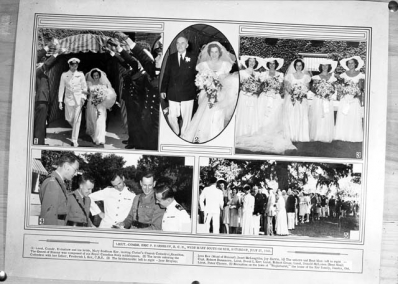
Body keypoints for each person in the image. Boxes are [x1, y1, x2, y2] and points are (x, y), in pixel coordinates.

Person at [235, 57, 297, 154]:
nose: (272, 65)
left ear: (276, 65)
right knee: (261, 116)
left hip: (275, 98)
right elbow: (257, 84)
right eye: (270, 63)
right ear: (268, 65)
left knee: (274, 117)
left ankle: (271, 133)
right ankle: (259, 133)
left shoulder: (280, 75)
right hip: (264, 97)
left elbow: (285, 86)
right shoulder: (263, 74)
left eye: (273, 64)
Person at [181, 41, 239, 143]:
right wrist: (204, 84)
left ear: (220, 53)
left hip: (221, 94)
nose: (214, 54)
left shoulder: (225, 65)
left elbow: (227, 79)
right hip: (206, 94)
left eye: (216, 52)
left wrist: (219, 85)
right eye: (212, 52)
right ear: (208, 52)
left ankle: (215, 136)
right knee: (203, 114)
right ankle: (201, 136)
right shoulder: (203, 65)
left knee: (217, 115)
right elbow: (199, 80)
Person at [107, 35, 157, 150]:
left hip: (139, 101)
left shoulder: (144, 69)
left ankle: (136, 142)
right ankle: (132, 140)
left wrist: (118, 50)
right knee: (132, 121)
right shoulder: (137, 66)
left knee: (137, 121)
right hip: (132, 99)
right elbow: (126, 62)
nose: (132, 55)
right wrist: (113, 52)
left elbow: (130, 61)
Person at [160, 35, 198, 136]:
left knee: (187, 118)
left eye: (182, 43)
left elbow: (197, 75)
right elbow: (166, 74)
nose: (179, 45)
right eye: (177, 43)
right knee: (172, 116)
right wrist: (163, 90)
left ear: (187, 45)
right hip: (173, 92)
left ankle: (184, 136)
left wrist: (198, 88)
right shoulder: (171, 57)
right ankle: (176, 133)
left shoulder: (193, 57)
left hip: (188, 93)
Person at [34, 40, 66, 145]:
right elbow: (45, 64)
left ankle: (40, 142)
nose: (42, 61)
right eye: (41, 60)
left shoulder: (40, 71)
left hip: (43, 101)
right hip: (40, 100)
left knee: (42, 123)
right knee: (39, 124)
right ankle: (38, 143)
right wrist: (56, 53)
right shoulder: (35, 70)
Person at [39, 153, 79, 225]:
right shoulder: (53, 184)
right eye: (75, 170)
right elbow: (48, 216)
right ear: (66, 166)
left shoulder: (57, 183)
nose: (76, 174)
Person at [334, 56, 365, 142]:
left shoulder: (361, 75)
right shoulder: (343, 75)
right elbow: (341, 86)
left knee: (353, 116)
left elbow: (361, 88)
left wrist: (355, 93)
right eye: (349, 63)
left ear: (355, 64)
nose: (350, 64)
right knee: (344, 116)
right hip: (345, 98)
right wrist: (343, 91)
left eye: (352, 63)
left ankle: (352, 135)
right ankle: (342, 134)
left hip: (354, 99)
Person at [58, 58, 88, 147]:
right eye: (73, 66)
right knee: (69, 118)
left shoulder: (81, 74)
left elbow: (84, 87)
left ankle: (74, 140)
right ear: (69, 65)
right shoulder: (64, 75)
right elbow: (61, 88)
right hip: (68, 100)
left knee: (77, 120)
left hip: (79, 100)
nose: (75, 67)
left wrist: (83, 97)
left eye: (76, 66)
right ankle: (75, 128)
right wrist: (60, 101)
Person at [85, 68, 116, 146]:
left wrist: (108, 103)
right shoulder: (89, 83)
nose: (96, 77)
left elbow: (109, 94)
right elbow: (86, 92)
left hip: (101, 105)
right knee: (94, 120)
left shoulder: (104, 84)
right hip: (91, 104)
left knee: (100, 120)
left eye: (97, 75)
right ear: (92, 76)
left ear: (99, 76)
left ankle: (100, 138)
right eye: (94, 75)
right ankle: (95, 135)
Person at [283, 59, 311, 142]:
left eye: (300, 65)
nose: (299, 67)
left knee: (301, 116)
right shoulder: (289, 76)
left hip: (302, 99)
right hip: (292, 99)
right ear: (294, 66)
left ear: (302, 66)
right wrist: (293, 93)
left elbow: (307, 88)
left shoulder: (306, 77)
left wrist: (301, 93)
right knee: (291, 115)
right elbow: (287, 87)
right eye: (297, 65)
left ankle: (301, 135)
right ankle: (291, 134)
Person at [310, 60, 338, 142]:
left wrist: (327, 92)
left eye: (326, 66)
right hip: (318, 99)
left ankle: (326, 135)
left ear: (329, 67)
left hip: (328, 100)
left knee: (327, 116)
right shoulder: (316, 77)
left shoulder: (332, 77)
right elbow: (312, 88)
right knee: (318, 116)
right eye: (323, 65)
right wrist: (320, 92)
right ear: (320, 67)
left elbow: (333, 89)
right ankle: (317, 134)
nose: (325, 67)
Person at [235, 56, 262, 137]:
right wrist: (244, 88)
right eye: (250, 61)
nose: (252, 63)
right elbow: (237, 84)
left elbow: (259, 86)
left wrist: (255, 89)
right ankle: (242, 131)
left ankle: (251, 131)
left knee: (252, 112)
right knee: (244, 112)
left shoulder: (257, 74)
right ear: (247, 62)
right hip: (244, 95)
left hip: (253, 96)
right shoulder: (242, 72)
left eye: (253, 61)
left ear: (255, 63)